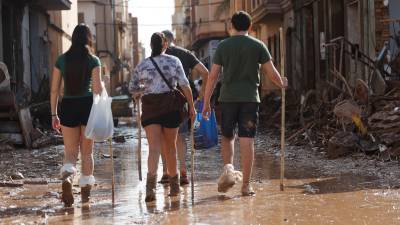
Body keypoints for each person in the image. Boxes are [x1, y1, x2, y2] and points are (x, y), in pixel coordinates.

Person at [202, 11, 288, 196]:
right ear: (250, 27)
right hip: (250, 100)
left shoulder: (223, 46)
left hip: (227, 100)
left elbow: (213, 76)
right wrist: (282, 83)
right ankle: (246, 186)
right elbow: (271, 73)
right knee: (247, 140)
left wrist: (206, 102)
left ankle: (229, 170)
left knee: (227, 137)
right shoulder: (258, 45)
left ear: (231, 26)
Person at [129, 32, 196, 202]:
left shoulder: (142, 65)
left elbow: (133, 88)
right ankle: (174, 189)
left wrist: (142, 92)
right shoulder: (174, 61)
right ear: (165, 45)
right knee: (171, 148)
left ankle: (150, 190)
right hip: (170, 108)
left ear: (151, 46)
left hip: (150, 108)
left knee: (154, 149)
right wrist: (192, 107)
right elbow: (185, 85)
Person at [50, 24, 103, 207]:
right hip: (88, 106)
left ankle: (67, 179)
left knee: (70, 152)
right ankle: (86, 195)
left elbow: (54, 90)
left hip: (68, 106)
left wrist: (53, 114)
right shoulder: (93, 60)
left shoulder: (61, 60)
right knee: (87, 153)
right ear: (88, 39)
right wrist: (103, 84)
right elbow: (97, 90)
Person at [157, 30, 209, 185]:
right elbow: (205, 73)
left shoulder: (157, 55)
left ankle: (166, 173)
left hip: (161, 102)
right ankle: (183, 172)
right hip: (182, 101)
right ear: (173, 40)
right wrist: (201, 95)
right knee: (180, 137)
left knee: (163, 138)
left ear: (163, 41)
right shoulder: (185, 54)